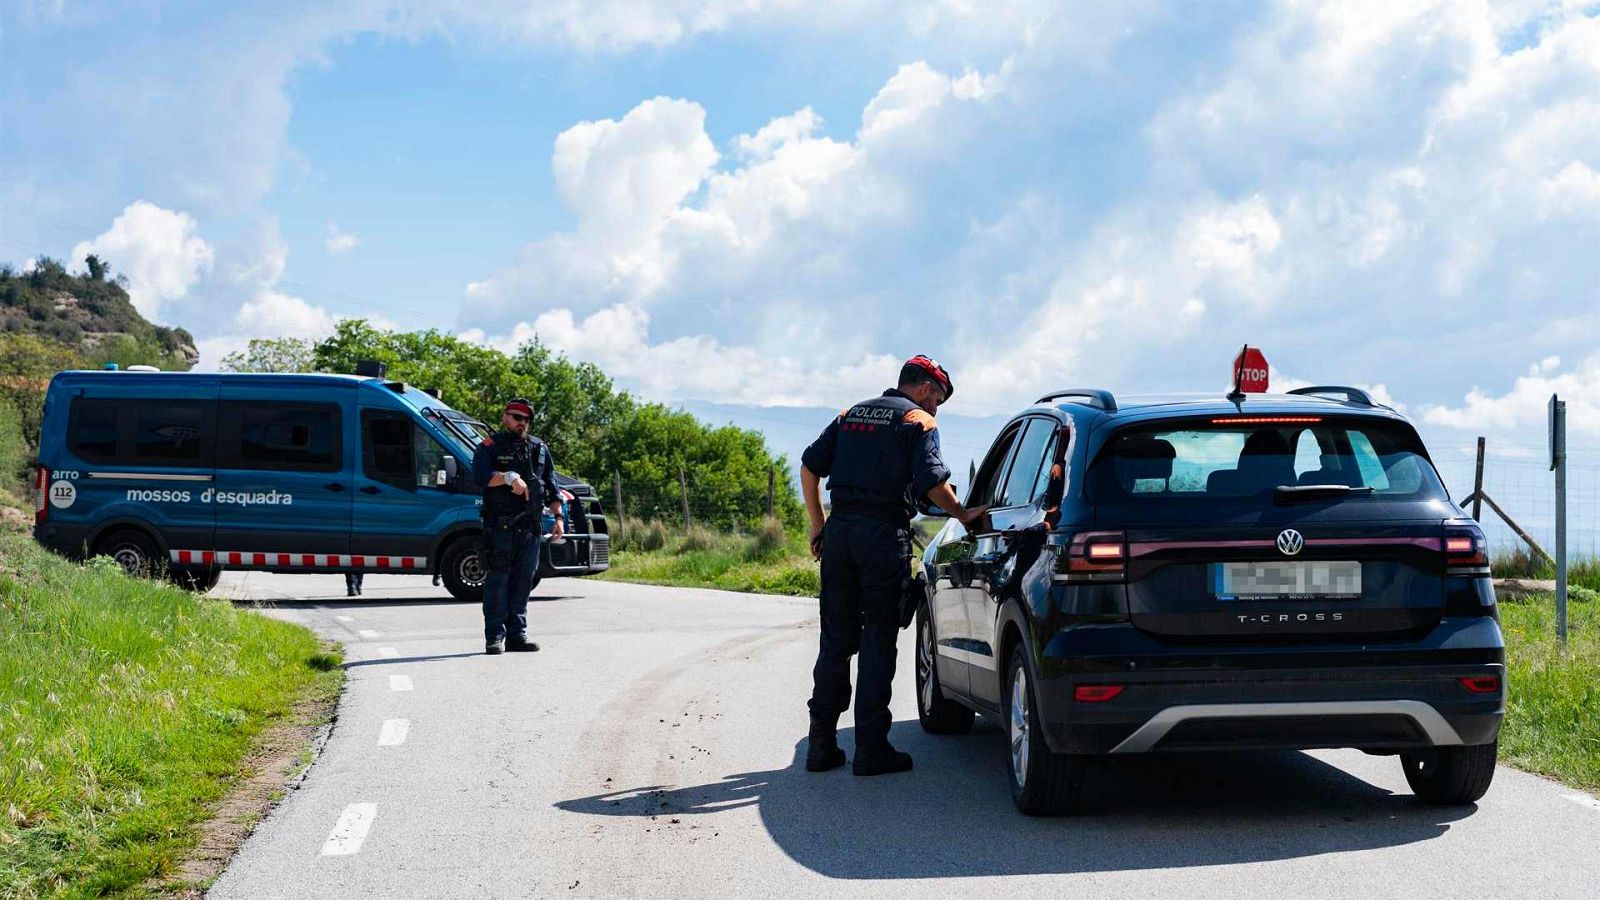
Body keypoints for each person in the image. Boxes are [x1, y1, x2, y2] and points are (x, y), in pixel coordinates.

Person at [798, 355, 987, 776]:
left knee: (835, 640)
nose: (936, 407)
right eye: (937, 398)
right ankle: (871, 749)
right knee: (879, 639)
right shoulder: (919, 422)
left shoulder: (851, 415)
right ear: (923, 388)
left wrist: (819, 526)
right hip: (883, 538)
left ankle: (821, 746)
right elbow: (934, 485)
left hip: (841, 535)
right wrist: (962, 514)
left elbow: (810, 468)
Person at [472, 398, 563, 655]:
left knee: (524, 581)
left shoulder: (539, 448)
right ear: (505, 417)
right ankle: (495, 636)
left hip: (531, 526)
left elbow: (552, 485)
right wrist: (508, 477)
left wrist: (558, 518)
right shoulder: (490, 446)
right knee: (498, 580)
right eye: (516, 417)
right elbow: (480, 476)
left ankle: (517, 635)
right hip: (500, 525)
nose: (521, 423)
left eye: (526, 420)